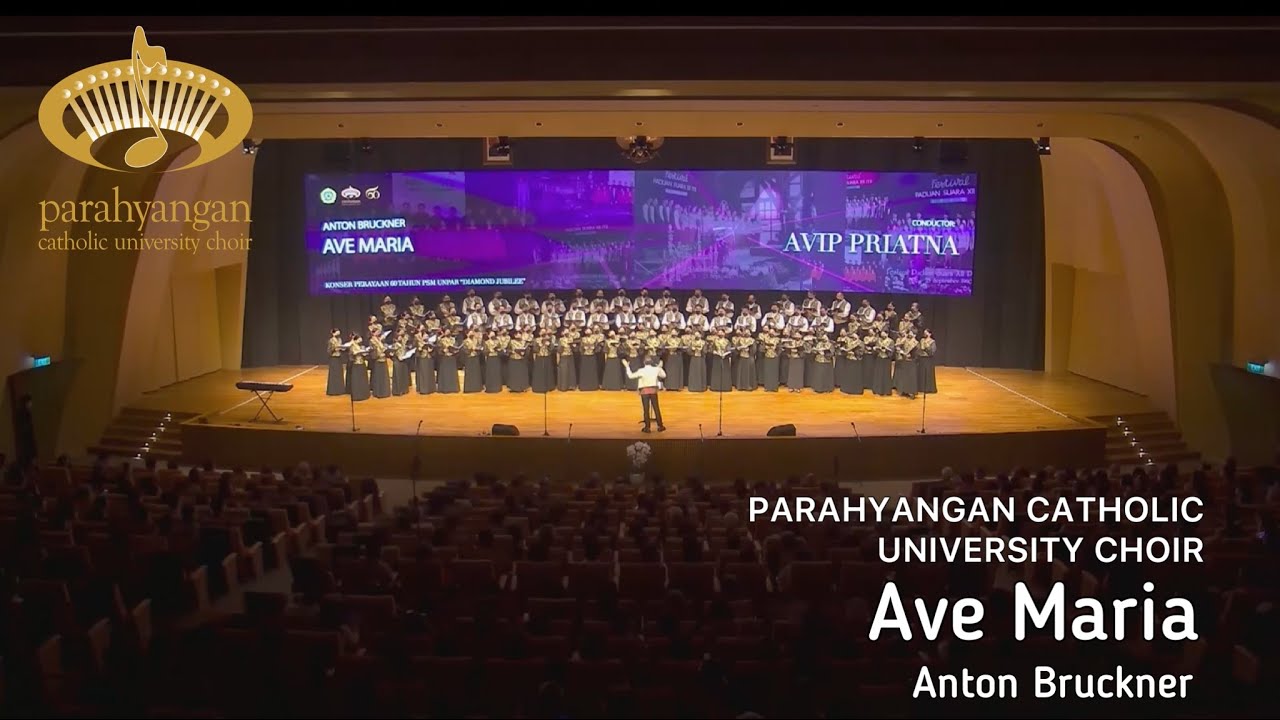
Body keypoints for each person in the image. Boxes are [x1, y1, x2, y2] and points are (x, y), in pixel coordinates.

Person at [626, 355, 667, 433]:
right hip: (653, 390)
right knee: (656, 408)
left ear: (644, 362)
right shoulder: (656, 369)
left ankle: (647, 427)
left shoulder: (641, 370)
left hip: (644, 391)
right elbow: (664, 375)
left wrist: (627, 367)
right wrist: (659, 367)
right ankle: (660, 426)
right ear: (652, 362)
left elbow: (631, 376)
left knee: (646, 409)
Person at [326, 329, 346, 395]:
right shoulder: (331, 340)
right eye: (337, 332)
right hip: (333, 358)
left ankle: (340, 389)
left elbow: (341, 347)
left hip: (339, 357)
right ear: (333, 333)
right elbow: (329, 350)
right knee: (334, 374)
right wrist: (334, 349)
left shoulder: (340, 339)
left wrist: (342, 348)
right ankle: (333, 390)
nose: (338, 333)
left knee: (339, 373)